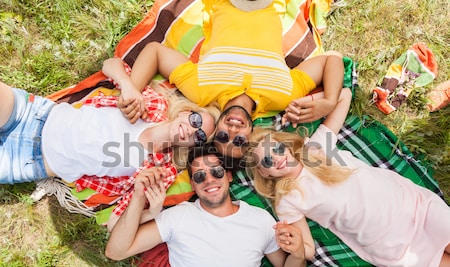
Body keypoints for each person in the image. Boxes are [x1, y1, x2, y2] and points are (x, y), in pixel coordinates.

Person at [244, 87, 450, 267]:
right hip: (390, 243)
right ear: (265, 173)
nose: (278, 158)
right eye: (268, 160)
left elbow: (344, 95)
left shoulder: (315, 148)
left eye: (277, 149)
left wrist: (312, 104)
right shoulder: (287, 199)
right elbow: (308, 249)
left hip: (411, 207)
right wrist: (295, 247)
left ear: (287, 146)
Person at [101, 0, 347, 161]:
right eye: (239, 140)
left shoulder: (201, 92)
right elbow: (331, 60)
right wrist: (329, 101)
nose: (232, 130)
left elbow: (155, 51)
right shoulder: (284, 97)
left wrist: (132, 88)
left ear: (214, 129)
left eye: (222, 137)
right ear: (252, 135)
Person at [105, 143, 308, 267]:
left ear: (228, 176)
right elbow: (116, 251)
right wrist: (139, 197)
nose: (209, 179)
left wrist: (298, 252)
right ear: (193, 185)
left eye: (216, 172)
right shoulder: (178, 216)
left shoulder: (260, 219)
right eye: (200, 176)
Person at [0, 81, 220, 185]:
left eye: (199, 136)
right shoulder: (152, 104)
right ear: (185, 113)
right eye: (196, 120)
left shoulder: (160, 171)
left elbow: (118, 218)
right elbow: (112, 64)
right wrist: (128, 86)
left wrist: (150, 209)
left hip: (30, 162)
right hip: (33, 113)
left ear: (192, 146)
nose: (192, 129)